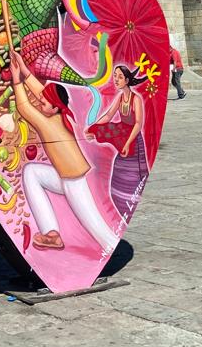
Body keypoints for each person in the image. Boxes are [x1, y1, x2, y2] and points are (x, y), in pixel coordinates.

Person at [9, 49, 119, 254]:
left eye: (43, 103)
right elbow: (43, 94)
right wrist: (24, 70)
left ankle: (111, 245)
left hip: (74, 181)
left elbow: (24, 108)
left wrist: (17, 80)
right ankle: (51, 233)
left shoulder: (48, 123)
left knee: (97, 228)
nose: (39, 103)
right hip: (64, 177)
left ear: (55, 107)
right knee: (31, 172)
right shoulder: (58, 114)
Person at [87, 65, 149, 220]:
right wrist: (93, 128)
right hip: (123, 136)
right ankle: (122, 203)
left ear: (127, 80)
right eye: (115, 76)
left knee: (133, 173)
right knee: (119, 172)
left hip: (133, 140)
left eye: (120, 77)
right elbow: (108, 115)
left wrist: (127, 144)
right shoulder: (120, 98)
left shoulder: (136, 99)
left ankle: (132, 199)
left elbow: (138, 124)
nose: (116, 79)